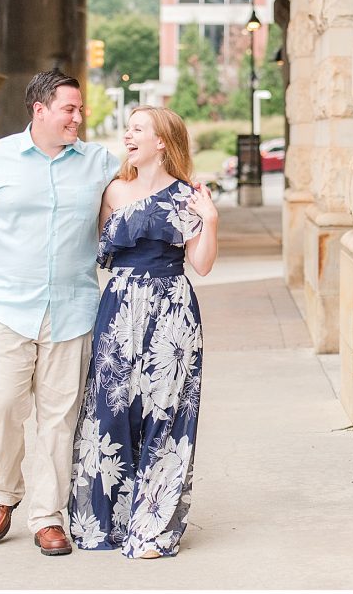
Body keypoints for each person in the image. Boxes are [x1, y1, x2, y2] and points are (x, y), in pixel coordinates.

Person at [0, 69, 120, 557]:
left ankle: (48, 516)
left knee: (59, 420)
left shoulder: (98, 163)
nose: (78, 117)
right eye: (70, 109)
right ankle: (4, 492)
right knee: (0, 404)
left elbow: (135, 192)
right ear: (39, 110)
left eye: (81, 109)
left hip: (73, 311)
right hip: (4, 309)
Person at [68, 106, 218, 559]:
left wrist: (209, 220)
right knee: (112, 411)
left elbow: (203, 264)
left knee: (166, 416)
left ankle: (152, 527)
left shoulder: (187, 196)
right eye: (127, 128)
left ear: (162, 143)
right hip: (118, 307)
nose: (128, 135)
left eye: (138, 129)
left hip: (172, 312)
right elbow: (95, 249)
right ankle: (105, 520)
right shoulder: (113, 190)